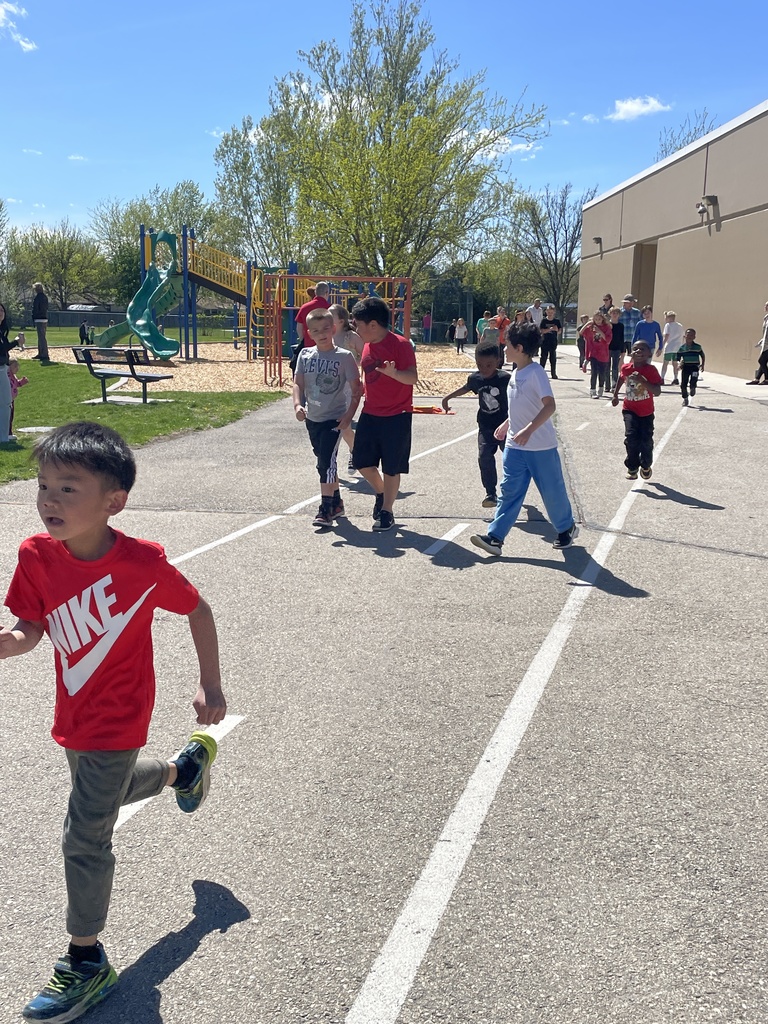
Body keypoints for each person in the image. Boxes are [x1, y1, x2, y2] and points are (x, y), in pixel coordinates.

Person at [0, 421, 227, 1023]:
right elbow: (31, 629)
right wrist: (8, 641)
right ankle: (184, 768)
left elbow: (198, 609)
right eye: (43, 486)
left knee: (85, 834)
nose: (49, 500)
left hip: (121, 717)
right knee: (112, 790)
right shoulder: (36, 555)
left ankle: (86, 962)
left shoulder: (141, 564)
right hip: (73, 716)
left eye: (68, 489)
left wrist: (211, 684)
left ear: (113, 501)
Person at [469, 322, 579, 556]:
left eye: (506, 346)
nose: (504, 350)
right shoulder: (516, 373)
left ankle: (565, 528)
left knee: (552, 491)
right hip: (514, 446)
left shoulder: (535, 373)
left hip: (540, 447)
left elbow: (549, 406)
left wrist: (529, 430)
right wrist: (507, 423)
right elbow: (520, 406)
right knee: (510, 491)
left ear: (519, 347)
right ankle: (495, 538)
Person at [352, 295, 418, 532]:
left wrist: (394, 374)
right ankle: (382, 493)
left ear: (372, 324)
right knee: (361, 462)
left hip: (397, 415)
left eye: (358, 324)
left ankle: (387, 510)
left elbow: (412, 377)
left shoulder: (400, 344)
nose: (355, 329)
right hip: (370, 412)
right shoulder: (368, 344)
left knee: (392, 467)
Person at [293, 309, 363, 527]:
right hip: (313, 417)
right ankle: (337, 502)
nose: (321, 334)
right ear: (309, 333)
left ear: (333, 329)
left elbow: (357, 389)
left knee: (327, 462)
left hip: (335, 418)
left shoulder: (344, 357)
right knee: (323, 463)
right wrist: (297, 404)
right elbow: (298, 383)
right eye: (316, 330)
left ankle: (325, 509)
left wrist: (349, 415)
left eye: (325, 328)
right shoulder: (305, 355)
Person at [441, 339, 511, 507]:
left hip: (506, 427)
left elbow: (519, 397)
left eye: (489, 365)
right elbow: (466, 388)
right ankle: (491, 493)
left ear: (498, 361)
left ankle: (512, 491)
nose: (484, 369)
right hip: (486, 426)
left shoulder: (505, 378)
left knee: (511, 460)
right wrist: (447, 397)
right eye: (480, 365)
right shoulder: (476, 378)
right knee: (484, 456)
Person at [611, 340, 662, 480]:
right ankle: (632, 466)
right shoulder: (626, 368)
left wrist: (642, 381)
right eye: (635, 349)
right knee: (631, 438)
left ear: (648, 354)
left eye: (642, 349)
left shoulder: (650, 371)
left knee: (645, 440)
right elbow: (621, 379)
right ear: (630, 353)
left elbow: (657, 391)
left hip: (646, 412)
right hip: (629, 409)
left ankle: (646, 465)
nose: (638, 351)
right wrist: (615, 395)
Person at [329, 304, 364, 475]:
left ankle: (354, 451)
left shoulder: (351, 336)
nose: (326, 317)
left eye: (331, 315)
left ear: (341, 320)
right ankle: (329, 460)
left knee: (345, 425)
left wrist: (354, 365)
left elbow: (367, 358)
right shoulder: (326, 335)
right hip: (328, 386)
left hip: (348, 386)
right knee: (329, 425)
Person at [583, 310, 611, 398]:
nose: (598, 321)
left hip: (603, 353)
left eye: (599, 319)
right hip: (594, 353)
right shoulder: (591, 327)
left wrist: (599, 331)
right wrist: (588, 323)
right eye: (596, 319)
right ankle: (592, 390)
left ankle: (601, 388)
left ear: (602, 319)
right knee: (594, 372)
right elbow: (581, 332)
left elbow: (608, 340)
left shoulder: (607, 327)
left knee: (602, 373)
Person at [0, 301, 18, 442]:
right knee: (6, 401)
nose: (1, 313)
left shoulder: (1, 331)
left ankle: (4, 435)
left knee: (6, 402)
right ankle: (3, 436)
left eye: (2, 311)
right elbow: (2, 349)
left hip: (3, 369)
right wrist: (16, 342)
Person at [675, 328, 705, 407]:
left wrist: (703, 365)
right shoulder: (682, 348)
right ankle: (685, 398)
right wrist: (679, 364)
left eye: (692, 335)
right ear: (685, 336)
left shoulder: (698, 347)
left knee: (693, 381)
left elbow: (702, 355)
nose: (689, 336)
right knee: (683, 384)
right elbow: (678, 357)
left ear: (694, 337)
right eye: (688, 335)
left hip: (695, 367)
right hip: (686, 367)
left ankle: (693, 388)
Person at [295, 281, 331, 346]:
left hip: (309, 345)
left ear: (315, 292)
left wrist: (303, 340)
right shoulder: (331, 308)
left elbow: (299, 327)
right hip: (327, 345)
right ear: (326, 293)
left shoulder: (304, 307)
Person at [746, 300, 768, 384]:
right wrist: (762, 341)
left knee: (761, 361)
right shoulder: (766, 318)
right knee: (763, 361)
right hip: (765, 344)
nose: (765, 307)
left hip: (767, 345)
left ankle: (767, 379)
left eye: (766, 306)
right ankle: (757, 379)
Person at [660, 310, 684, 384]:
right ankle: (676, 378)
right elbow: (683, 336)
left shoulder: (668, 325)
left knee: (665, 363)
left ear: (668, 318)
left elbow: (667, 336)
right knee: (675, 363)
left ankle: (662, 378)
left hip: (669, 347)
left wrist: (662, 346)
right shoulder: (680, 325)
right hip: (677, 347)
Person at [539, 305, 562, 379]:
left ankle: (553, 373)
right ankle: (540, 373)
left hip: (553, 342)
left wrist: (556, 330)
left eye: (551, 312)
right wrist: (549, 329)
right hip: (545, 341)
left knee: (553, 358)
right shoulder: (544, 321)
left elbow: (560, 331)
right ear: (546, 312)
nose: (550, 313)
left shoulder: (557, 321)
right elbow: (541, 331)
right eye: (548, 312)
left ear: (554, 312)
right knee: (543, 358)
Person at [8, 357, 28, 440]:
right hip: (6, 399)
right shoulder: (7, 376)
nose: (17, 368)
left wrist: (22, 382)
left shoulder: (13, 376)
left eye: (18, 366)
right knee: (7, 416)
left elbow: (16, 384)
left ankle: (9, 432)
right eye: (15, 366)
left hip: (12, 400)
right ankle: (7, 433)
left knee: (11, 416)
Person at [606, 306, 625, 390]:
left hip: (617, 348)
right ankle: (607, 385)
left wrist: (623, 350)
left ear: (619, 315)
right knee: (607, 366)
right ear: (610, 314)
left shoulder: (621, 326)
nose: (615, 314)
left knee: (615, 367)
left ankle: (614, 384)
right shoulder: (607, 325)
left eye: (616, 313)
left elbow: (622, 338)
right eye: (613, 313)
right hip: (607, 348)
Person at [32, 282, 49, 360]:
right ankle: (41, 353)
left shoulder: (38, 298)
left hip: (39, 318)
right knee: (41, 337)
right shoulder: (45, 297)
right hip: (44, 318)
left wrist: (34, 317)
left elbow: (35, 308)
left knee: (41, 337)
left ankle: (44, 354)